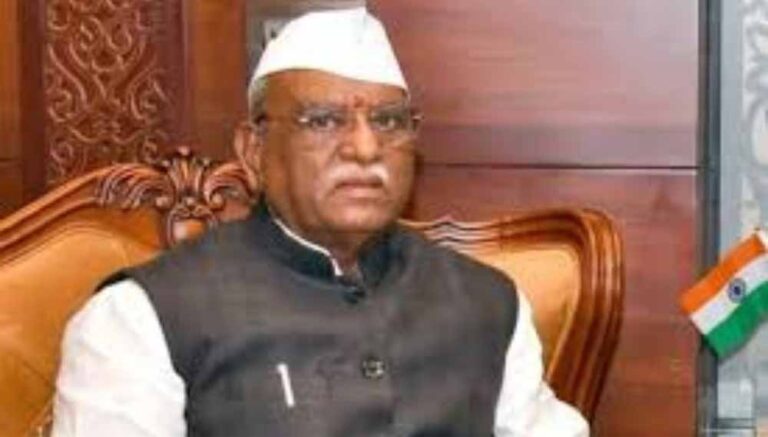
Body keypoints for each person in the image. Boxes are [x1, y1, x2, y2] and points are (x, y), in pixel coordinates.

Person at [51, 7, 588, 437]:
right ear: (254, 151)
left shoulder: (488, 302)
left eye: (389, 121)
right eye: (324, 121)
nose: (365, 148)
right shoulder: (142, 317)